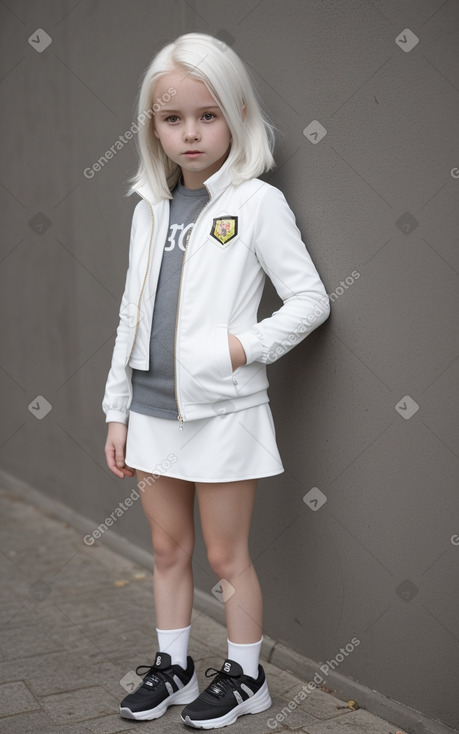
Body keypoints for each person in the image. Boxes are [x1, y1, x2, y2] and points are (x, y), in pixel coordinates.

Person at [102, 32, 330, 729]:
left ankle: (246, 677)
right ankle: (173, 667)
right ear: (153, 127)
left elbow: (311, 301)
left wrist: (239, 348)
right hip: (150, 411)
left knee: (227, 556)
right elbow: (129, 314)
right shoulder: (148, 210)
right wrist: (116, 410)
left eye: (207, 115)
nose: (190, 133)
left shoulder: (256, 203)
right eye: (172, 119)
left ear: (236, 114)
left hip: (223, 411)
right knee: (168, 549)